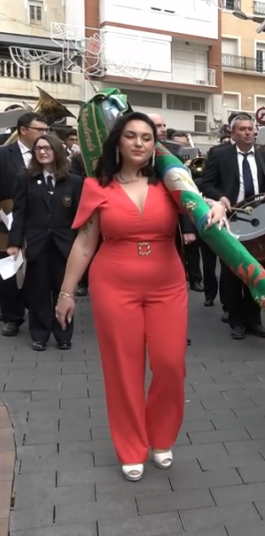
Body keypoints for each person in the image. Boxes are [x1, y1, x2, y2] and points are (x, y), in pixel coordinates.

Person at [54, 112, 226, 482]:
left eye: (146, 137)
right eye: (131, 135)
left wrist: (217, 205)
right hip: (113, 286)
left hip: (167, 285)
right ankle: (131, 447)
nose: (139, 143)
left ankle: (161, 437)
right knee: (123, 369)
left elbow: (200, 204)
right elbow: (84, 243)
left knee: (170, 364)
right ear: (118, 141)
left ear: (155, 144)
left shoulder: (171, 182)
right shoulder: (97, 186)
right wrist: (66, 292)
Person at [198, 113, 265, 339]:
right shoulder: (219, 154)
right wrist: (220, 197)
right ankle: (236, 321)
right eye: (243, 129)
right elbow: (207, 184)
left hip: (258, 221)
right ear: (232, 133)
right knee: (232, 272)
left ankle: (254, 320)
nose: (249, 132)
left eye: (251, 129)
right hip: (231, 218)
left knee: (257, 270)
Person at [6, 134, 83, 351]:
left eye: (47, 148)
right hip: (36, 243)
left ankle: (63, 334)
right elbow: (19, 212)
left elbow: (78, 215)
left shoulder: (74, 181)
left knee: (63, 290)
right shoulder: (25, 179)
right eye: (38, 148)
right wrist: (14, 242)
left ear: (57, 151)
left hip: (64, 245)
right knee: (38, 291)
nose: (42, 152)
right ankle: (39, 334)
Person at [0, 112, 49, 337]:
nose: (44, 134)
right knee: (10, 270)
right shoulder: (3, 154)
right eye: (40, 130)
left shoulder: (49, 154)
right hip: (7, 220)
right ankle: (12, 317)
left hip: (42, 222)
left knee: (39, 270)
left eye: (46, 130)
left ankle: (39, 313)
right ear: (23, 130)